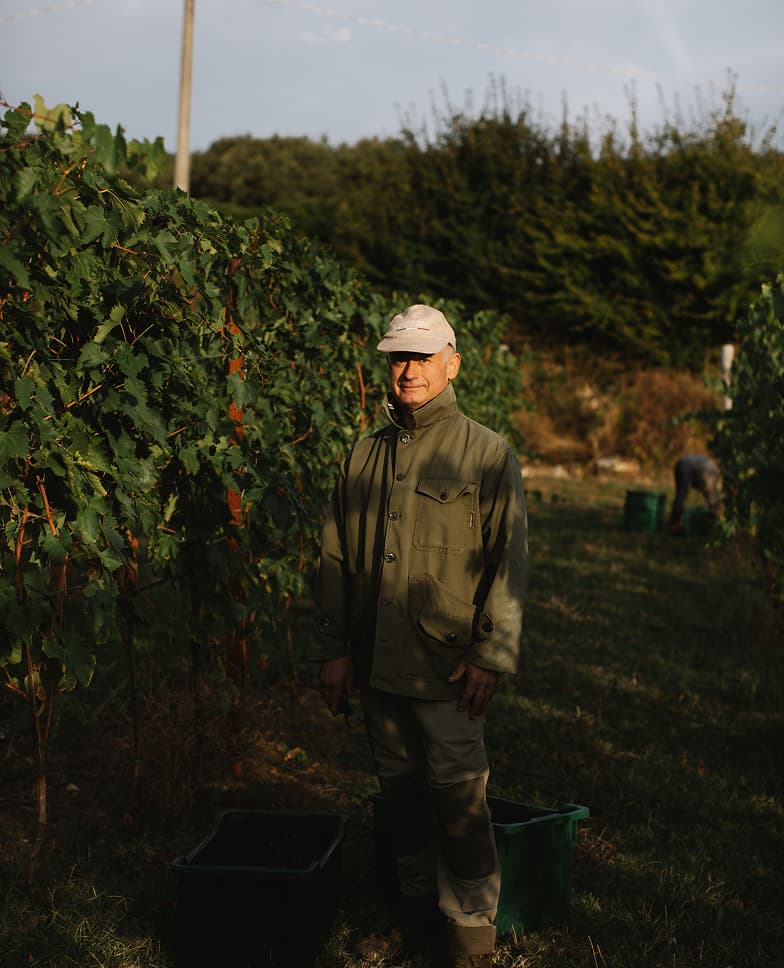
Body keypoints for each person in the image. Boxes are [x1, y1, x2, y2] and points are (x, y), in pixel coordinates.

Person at [311, 304, 528, 968]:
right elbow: (337, 556)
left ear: (452, 364)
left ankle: (469, 942)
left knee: (460, 803)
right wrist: (336, 647)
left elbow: (508, 561)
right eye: (399, 358)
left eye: (423, 357)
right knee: (400, 798)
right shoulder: (365, 452)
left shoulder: (486, 452)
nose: (409, 370)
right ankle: (412, 919)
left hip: (448, 666)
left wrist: (490, 653)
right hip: (378, 663)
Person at [668, 453, 722, 530]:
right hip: (686, 466)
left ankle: (675, 519)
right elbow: (709, 489)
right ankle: (675, 522)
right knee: (682, 493)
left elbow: (706, 487)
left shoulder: (711, 469)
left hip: (681, 463)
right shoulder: (713, 472)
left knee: (681, 493)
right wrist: (714, 504)